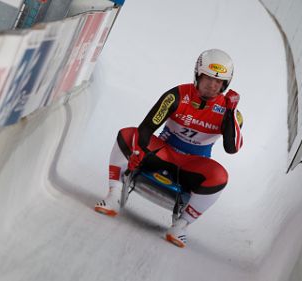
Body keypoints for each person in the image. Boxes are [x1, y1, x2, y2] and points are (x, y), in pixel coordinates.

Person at [94, 49, 243, 248]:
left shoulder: (230, 112)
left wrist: (231, 113)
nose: (212, 85)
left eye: (219, 82)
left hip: (193, 164)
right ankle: (113, 195)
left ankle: (181, 226)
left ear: (226, 85)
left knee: (220, 176)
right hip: (162, 152)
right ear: (198, 75)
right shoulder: (177, 95)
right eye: (208, 78)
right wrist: (138, 150)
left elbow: (231, 148)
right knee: (127, 135)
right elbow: (147, 127)